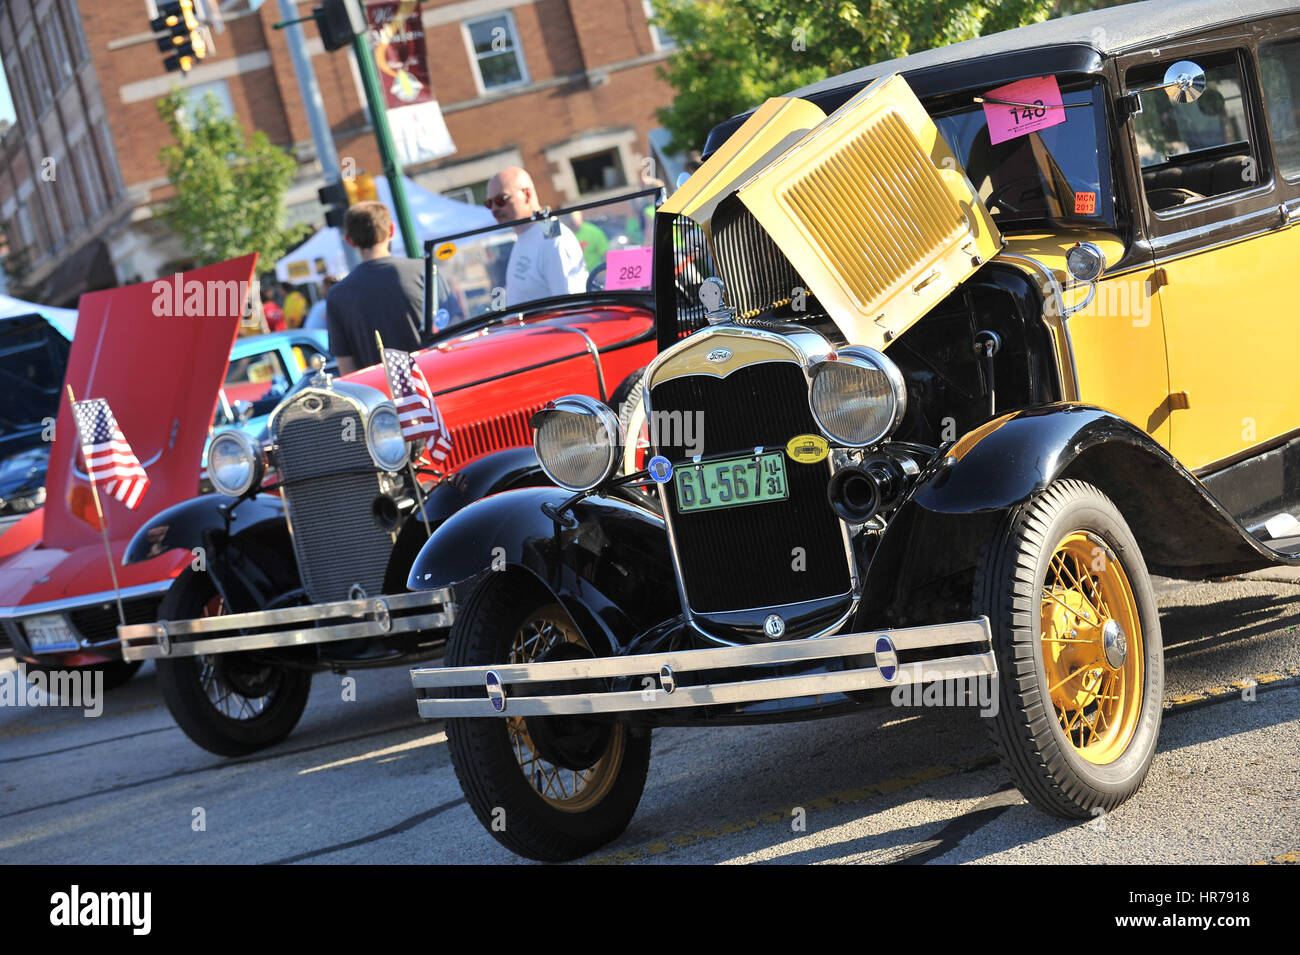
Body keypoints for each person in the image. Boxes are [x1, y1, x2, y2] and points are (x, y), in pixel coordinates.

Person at [325, 201, 426, 374]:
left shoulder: (337, 295)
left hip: (381, 397)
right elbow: (453, 334)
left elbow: (347, 370)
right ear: (392, 230)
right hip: (436, 384)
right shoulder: (424, 271)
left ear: (350, 240)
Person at [485, 167, 586, 305]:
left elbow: (573, 306)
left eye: (501, 200)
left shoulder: (552, 236)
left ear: (527, 194)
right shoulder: (524, 234)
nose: (494, 209)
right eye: (489, 204)